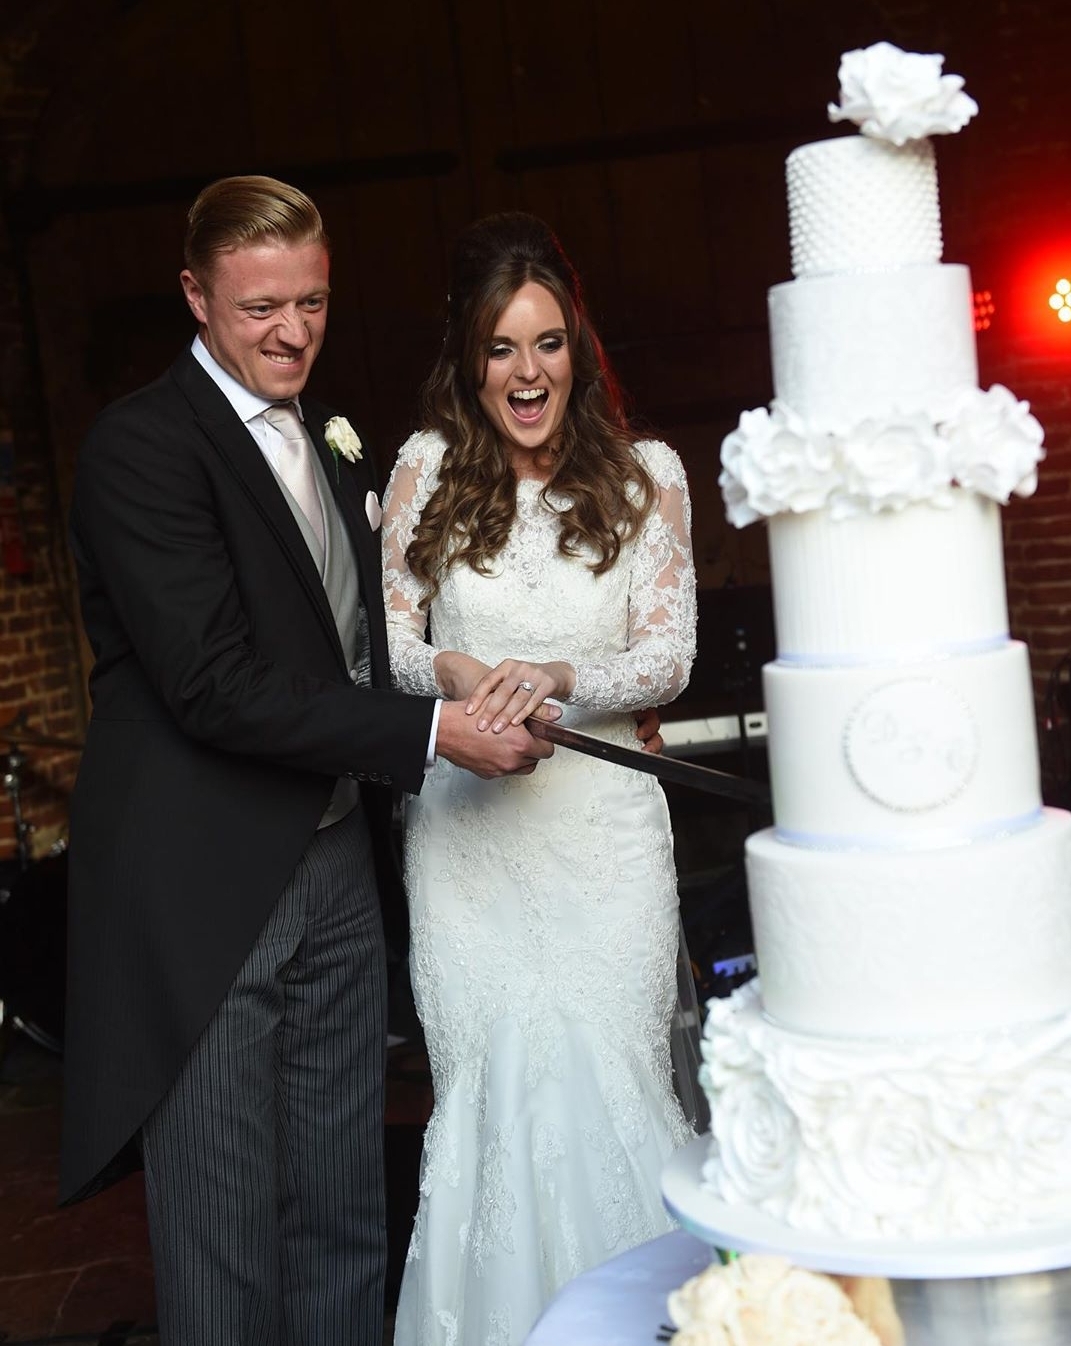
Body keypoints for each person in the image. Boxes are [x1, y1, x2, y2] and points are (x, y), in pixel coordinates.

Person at [58, 175, 562, 1346]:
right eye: (259, 309)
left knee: (343, 1216)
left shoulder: (330, 444)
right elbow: (213, 683)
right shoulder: (140, 447)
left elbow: (356, 639)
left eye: (314, 304)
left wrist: (455, 674)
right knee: (227, 1230)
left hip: (336, 865)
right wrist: (439, 736)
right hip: (209, 888)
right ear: (196, 295)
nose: (292, 332)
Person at [381, 211, 698, 1345]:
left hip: (602, 841)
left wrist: (558, 672)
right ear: (472, 357)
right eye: (504, 347)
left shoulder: (646, 477)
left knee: (613, 1081)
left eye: (549, 343)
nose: (529, 372)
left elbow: (668, 653)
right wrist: (462, 669)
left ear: (579, 346)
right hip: (470, 848)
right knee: (488, 1101)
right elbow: (394, 649)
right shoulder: (425, 470)